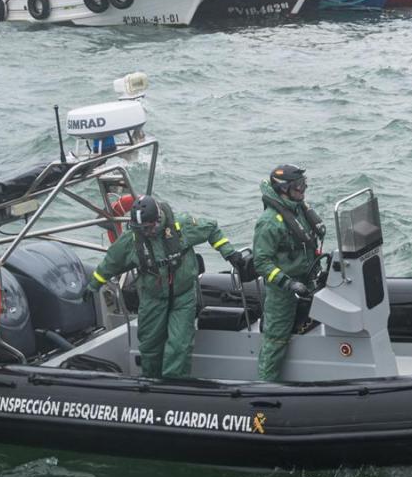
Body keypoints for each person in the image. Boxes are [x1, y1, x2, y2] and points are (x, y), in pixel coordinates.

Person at [85, 195, 248, 379]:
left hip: (183, 297)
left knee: (179, 346)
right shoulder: (131, 240)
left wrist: (229, 253)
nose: (145, 232)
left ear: (157, 220)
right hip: (152, 298)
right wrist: (92, 286)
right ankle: (151, 384)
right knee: (149, 346)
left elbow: (211, 228)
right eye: (140, 229)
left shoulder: (182, 226)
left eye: (147, 228)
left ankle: (174, 387)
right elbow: (110, 264)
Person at [253, 164, 326, 382]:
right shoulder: (268, 223)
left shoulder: (298, 209)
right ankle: (264, 390)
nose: (303, 189)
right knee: (275, 344)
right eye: (298, 185)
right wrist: (288, 283)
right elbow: (261, 262)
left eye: (304, 184)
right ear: (284, 189)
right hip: (283, 293)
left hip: (307, 282)